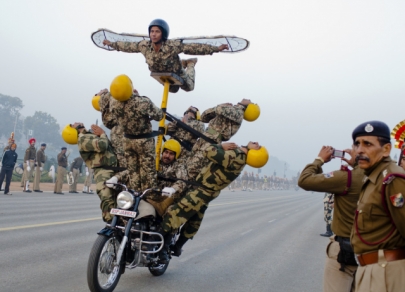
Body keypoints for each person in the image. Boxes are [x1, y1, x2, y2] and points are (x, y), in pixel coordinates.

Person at [158, 142, 268, 263]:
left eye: (257, 147)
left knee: (175, 214)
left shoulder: (236, 157)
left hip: (200, 191)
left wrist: (221, 146)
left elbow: (208, 151)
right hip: (208, 194)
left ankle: (161, 248)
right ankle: (177, 247)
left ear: (254, 154)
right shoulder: (240, 160)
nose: (256, 143)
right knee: (194, 222)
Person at [298, 145, 364, 292]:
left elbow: (305, 180)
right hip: (372, 253)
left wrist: (319, 159)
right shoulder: (383, 177)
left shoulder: (346, 177)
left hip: (344, 252)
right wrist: (356, 164)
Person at [350, 121, 405, 292]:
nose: (359, 150)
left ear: (386, 149)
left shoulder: (393, 179)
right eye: (357, 144)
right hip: (372, 270)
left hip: (386, 273)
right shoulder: (374, 178)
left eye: (367, 144)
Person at [103, 19, 229, 93]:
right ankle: (184, 63)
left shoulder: (172, 46)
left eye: (157, 31)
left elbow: (194, 47)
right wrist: (112, 44)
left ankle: (189, 64)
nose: (153, 34)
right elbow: (127, 46)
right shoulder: (144, 45)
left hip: (176, 71)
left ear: (163, 34)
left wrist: (216, 48)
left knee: (189, 87)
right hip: (160, 73)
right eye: (152, 31)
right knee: (173, 90)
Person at [105, 89, 163, 192]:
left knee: (133, 172)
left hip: (127, 141)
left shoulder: (114, 102)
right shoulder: (142, 102)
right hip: (143, 141)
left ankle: (134, 194)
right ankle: (149, 196)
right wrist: (138, 96)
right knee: (148, 172)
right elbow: (159, 115)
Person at [69, 123, 123, 222]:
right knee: (107, 196)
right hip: (104, 171)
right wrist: (102, 134)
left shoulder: (89, 135)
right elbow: (102, 145)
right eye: (72, 124)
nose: (76, 122)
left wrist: (102, 134)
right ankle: (111, 224)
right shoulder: (82, 139)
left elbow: (109, 146)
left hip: (116, 169)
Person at [146, 139, 187, 217]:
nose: (167, 156)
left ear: (175, 156)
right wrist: (117, 177)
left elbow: (182, 181)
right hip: (151, 196)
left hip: (167, 199)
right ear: (162, 152)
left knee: (170, 215)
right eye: (166, 152)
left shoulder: (178, 166)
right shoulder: (155, 162)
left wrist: (173, 189)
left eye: (171, 154)